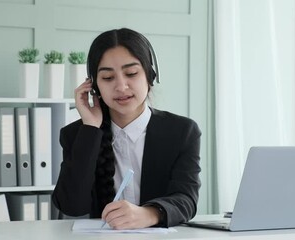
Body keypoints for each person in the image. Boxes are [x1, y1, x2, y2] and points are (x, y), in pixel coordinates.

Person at [52, 28, 202, 229]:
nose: (121, 87)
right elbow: (72, 206)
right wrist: (90, 129)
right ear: (94, 86)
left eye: (131, 73)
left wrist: (148, 214)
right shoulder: (77, 135)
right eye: (107, 78)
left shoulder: (182, 132)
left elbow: (187, 199)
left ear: (150, 76)